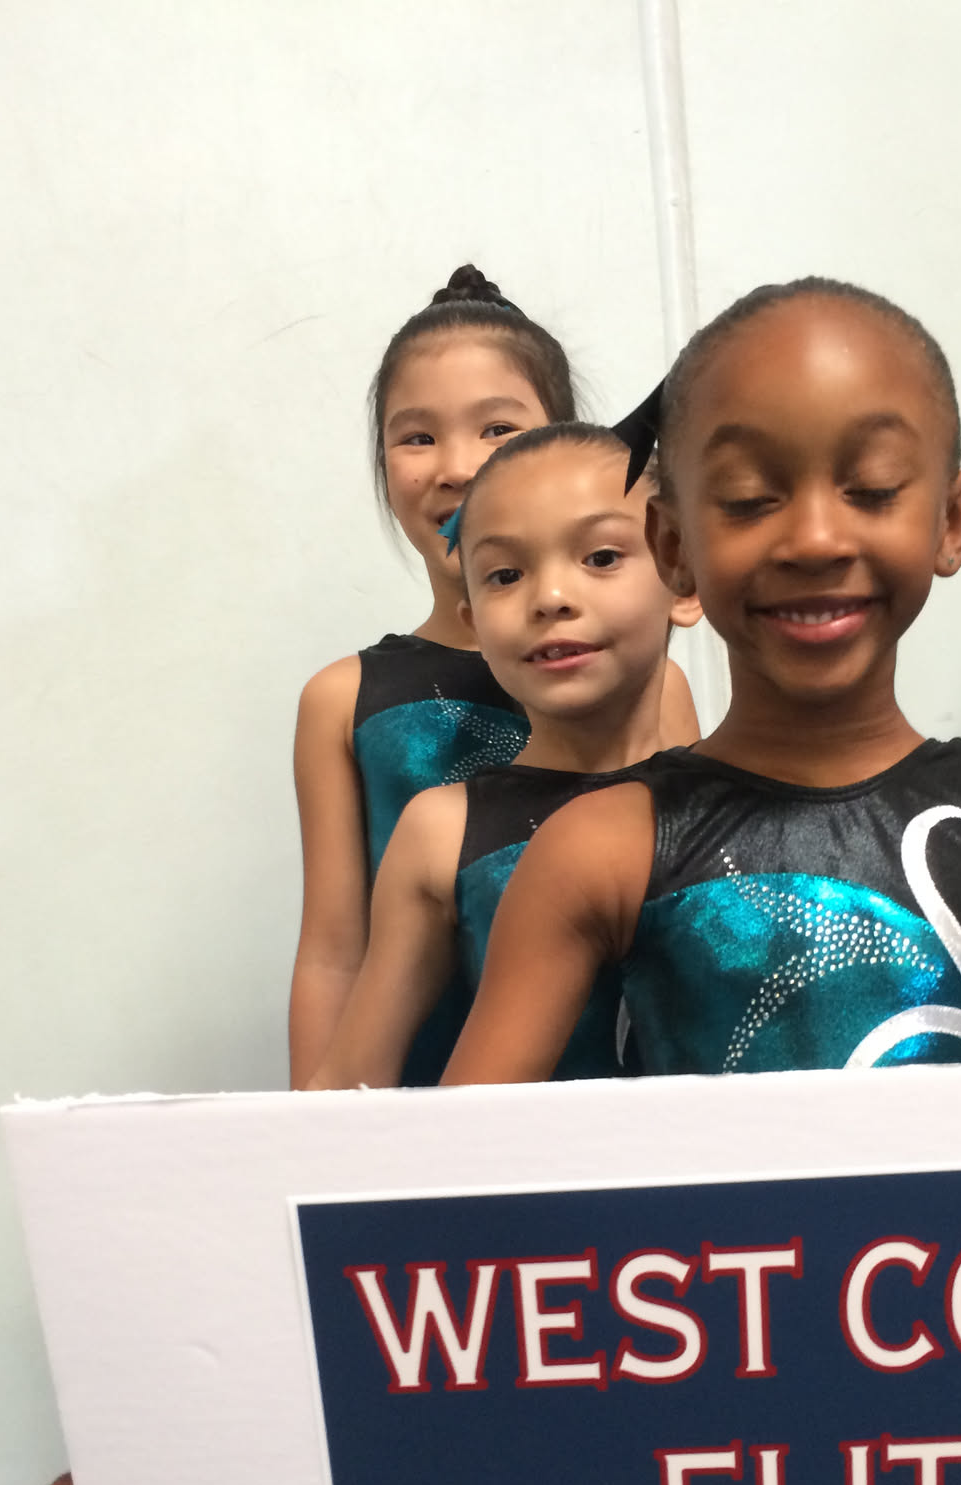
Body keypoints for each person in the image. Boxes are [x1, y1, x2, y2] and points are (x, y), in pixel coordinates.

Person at [442, 277, 961, 1086]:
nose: (816, 539)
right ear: (673, 547)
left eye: (873, 489)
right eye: (750, 499)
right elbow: (454, 1158)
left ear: (952, 520)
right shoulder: (599, 850)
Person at [287, 263, 701, 1088]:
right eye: (417, 437)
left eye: (498, 430)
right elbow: (334, 953)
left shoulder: (651, 679)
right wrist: (308, 1135)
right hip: (429, 1109)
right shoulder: (345, 700)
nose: (458, 466)